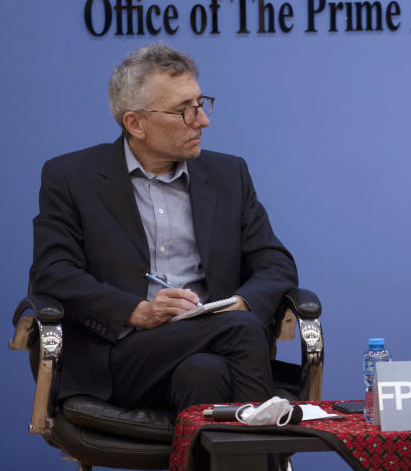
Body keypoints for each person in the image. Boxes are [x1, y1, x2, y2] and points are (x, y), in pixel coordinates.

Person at [29, 43, 298, 414]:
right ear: (135, 123)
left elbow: (275, 262)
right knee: (242, 328)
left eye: (201, 104)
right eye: (184, 111)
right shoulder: (71, 178)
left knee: (205, 373)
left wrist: (241, 303)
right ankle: (270, 459)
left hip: (214, 349)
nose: (202, 120)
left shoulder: (228, 175)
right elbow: (52, 274)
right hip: (123, 354)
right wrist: (137, 311)